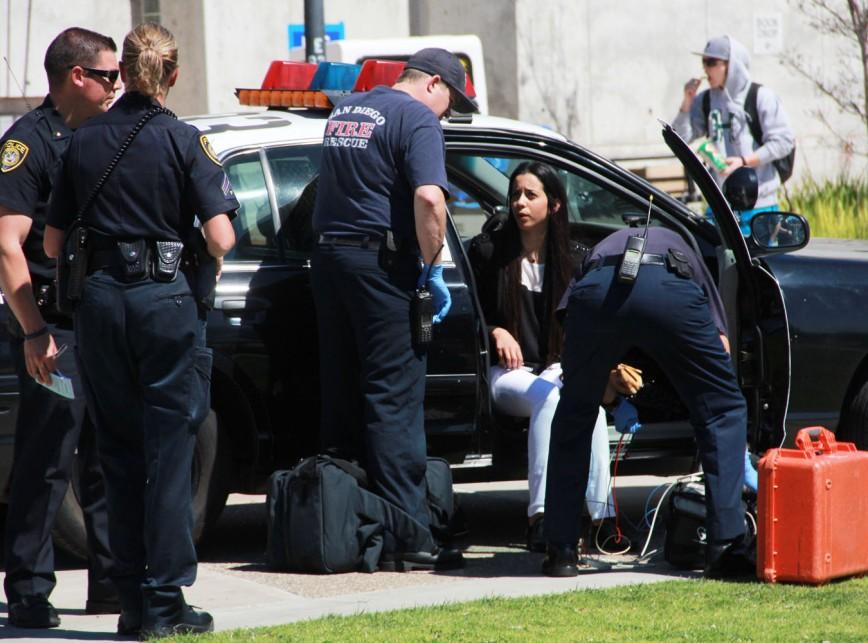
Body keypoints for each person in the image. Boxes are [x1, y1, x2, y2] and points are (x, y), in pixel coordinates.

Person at [43, 23, 237, 637]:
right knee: (170, 452)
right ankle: (164, 601)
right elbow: (221, 236)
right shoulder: (184, 140)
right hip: (164, 303)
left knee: (117, 454)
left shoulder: (80, 140)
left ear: (120, 72)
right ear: (172, 75)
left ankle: (129, 598)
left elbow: (51, 241)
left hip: (100, 306)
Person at [310, 48, 477, 571]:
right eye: (451, 101)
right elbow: (429, 198)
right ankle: (411, 534)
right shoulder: (418, 119)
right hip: (381, 268)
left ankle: (351, 525)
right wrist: (433, 266)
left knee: (344, 392)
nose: (447, 114)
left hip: (330, 262)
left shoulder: (348, 109)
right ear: (432, 84)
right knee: (394, 396)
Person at [0, 27, 121, 629]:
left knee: (107, 459)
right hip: (55, 330)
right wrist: (34, 331)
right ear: (79, 77)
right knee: (47, 460)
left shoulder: (105, 136)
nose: (120, 85)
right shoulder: (27, 145)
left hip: (101, 321)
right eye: (111, 75)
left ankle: (113, 582)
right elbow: (5, 244)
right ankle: (29, 590)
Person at [542, 225, 752, 579]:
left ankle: (561, 551)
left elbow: (571, 334)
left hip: (596, 289)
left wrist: (597, 381)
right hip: (669, 283)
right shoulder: (687, 251)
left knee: (574, 413)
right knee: (724, 410)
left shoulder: (597, 251)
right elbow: (721, 347)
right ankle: (724, 547)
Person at [467, 162, 636, 554]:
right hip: (507, 373)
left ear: (555, 206)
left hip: (557, 367)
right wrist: (495, 329)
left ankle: (601, 517)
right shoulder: (490, 253)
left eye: (531, 195)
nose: (519, 203)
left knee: (587, 404)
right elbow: (471, 312)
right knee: (551, 396)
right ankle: (540, 517)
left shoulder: (574, 258)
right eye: (515, 195)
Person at [672, 35, 795, 236]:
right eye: (703, 62)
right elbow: (681, 139)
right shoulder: (704, 100)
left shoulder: (760, 96)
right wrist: (687, 102)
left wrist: (744, 161)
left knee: (758, 265)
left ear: (732, 65)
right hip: (719, 206)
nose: (705, 68)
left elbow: (784, 141)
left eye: (711, 62)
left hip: (759, 206)